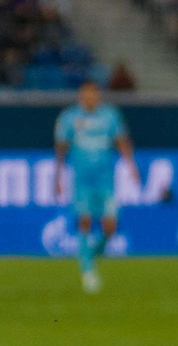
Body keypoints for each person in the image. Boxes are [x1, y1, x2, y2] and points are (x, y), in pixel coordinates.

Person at [55, 76, 135, 293]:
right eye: (86, 93)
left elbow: (121, 141)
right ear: (81, 95)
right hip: (82, 181)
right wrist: (57, 175)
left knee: (110, 226)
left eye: (93, 93)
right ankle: (87, 270)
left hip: (105, 180)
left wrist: (131, 165)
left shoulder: (110, 115)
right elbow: (61, 146)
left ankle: (90, 255)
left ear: (98, 95)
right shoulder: (69, 117)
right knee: (85, 221)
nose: (90, 97)